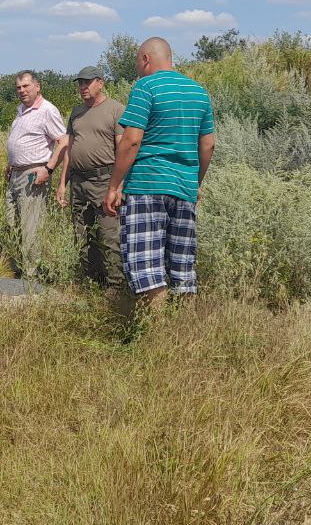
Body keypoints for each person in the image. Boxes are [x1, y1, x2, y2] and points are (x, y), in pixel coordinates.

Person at [103, 37, 215, 316]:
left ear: (145, 59)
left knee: (146, 265)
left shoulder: (146, 87)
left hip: (147, 185)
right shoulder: (199, 92)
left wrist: (114, 185)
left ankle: (156, 334)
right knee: (181, 266)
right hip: (184, 189)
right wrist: (195, 182)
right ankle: (182, 331)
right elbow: (208, 144)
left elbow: (131, 140)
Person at [55, 65, 125, 297]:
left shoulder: (115, 110)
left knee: (109, 234)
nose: (83, 87)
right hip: (79, 181)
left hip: (104, 180)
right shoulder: (76, 112)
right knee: (82, 234)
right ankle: (91, 281)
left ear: (100, 83)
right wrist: (62, 183)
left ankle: (115, 286)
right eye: (80, 83)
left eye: (87, 82)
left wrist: (119, 187)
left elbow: (123, 149)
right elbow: (70, 149)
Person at [4, 70, 67, 277]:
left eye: (26, 86)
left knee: (30, 226)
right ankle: (17, 270)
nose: (22, 90)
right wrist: (10, 163)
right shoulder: (21, 110)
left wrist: (48, 169)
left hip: (33, 174)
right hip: (15, 173)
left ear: (37, 86)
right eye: (18, 87)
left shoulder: (47, 110)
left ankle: (31, 275)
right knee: (11, 222)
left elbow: (63, 141)